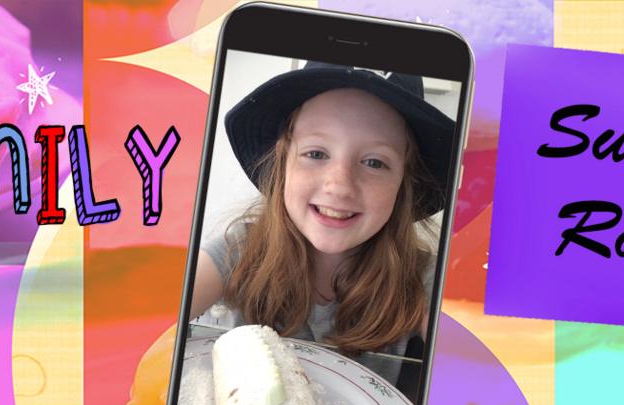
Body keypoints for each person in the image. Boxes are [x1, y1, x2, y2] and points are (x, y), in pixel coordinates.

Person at [189, 61, 455, 384]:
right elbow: (140, 318)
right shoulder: (239, 251)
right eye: (316, 154)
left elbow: (483, 369)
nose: (340, 185)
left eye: (374, 162)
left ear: (404, 183)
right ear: (283, 162)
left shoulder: (422, 277)